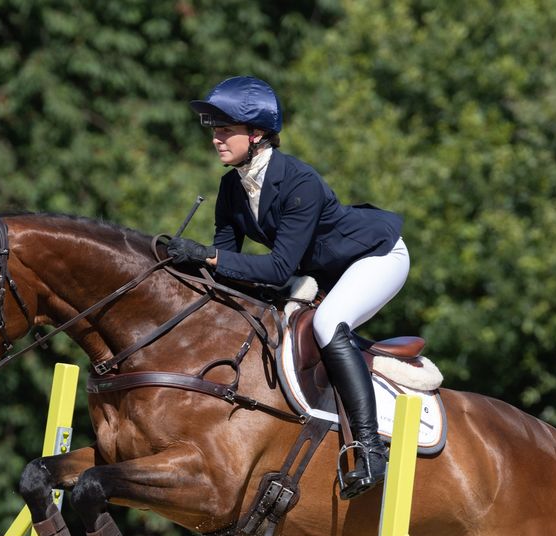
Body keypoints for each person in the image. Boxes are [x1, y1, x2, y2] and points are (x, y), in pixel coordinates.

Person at [165, 75, 410, 500]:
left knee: (330, 321)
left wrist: (207, 256)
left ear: (256, 134)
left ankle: (370, 450)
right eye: (214, 131)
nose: (216, 140)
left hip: (375, 256)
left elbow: (276, 269)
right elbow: (228, 267)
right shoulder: (230, 187)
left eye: (225, 130)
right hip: (319, 269)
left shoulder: (299, 181)